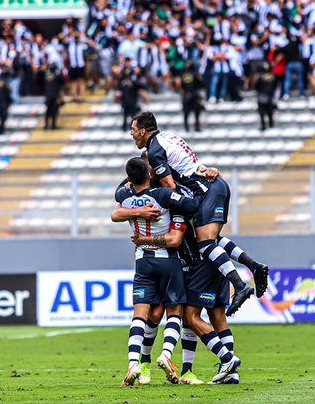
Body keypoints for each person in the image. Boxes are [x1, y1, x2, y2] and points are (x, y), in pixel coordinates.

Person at [130, 112, 269, 316]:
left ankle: (239, 285)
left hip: (206, 192)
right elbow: (190, 165)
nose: (131, 134)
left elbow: (170, 186)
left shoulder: (154, 150)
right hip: (213, 186)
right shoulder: (170, 138)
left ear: (142, 131)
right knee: (212, 239)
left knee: (204, 243)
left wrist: (179, 208)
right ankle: (254, 266)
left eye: (133, 130)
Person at [111, 157, 198, 387]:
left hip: (142, 260)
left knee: (140, 315)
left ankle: (133, 363)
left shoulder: (125, 198)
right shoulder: (162, 196)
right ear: (150, 175)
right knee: (175, 312)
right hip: (167, 259)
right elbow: (191, 206)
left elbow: (115, 212)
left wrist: (136, 212)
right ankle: (167, 355)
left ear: (130, 179)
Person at [182, 254, 242, 384]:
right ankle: (230, 373)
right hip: (219, 263)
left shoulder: (200, 233)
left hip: (201, 265)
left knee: (189, 316)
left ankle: (227, 358)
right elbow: (222, 240)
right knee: (218, 317)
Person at [180, 61, 205, 132]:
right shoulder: (196, 74)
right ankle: (197, 127)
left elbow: (182, 85)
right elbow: (202, 83)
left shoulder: (184, 75)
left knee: (186, 113)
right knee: (197, 112)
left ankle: (186, 127)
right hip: (195, 95)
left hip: (186, 95)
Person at [253, 62, 276, 131]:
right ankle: (271, 124)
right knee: (270, 112)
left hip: (261, 97)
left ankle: (263, 125)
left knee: (262, 112)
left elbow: (255, 86)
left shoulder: (259, 77)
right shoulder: (273, 77)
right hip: (270, 97)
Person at [44, 64, 64, 130]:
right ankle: (53, 126)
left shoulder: (47, 76)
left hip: (48, 96)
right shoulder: (57, 77)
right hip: (55, 96)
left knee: (48, 112)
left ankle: (46, 126)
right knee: (54, 112)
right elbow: (60, 87)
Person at [0, 69, 13, 135]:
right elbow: (7, 94)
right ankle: (1, 130)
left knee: (2, 117)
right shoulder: (5, 84)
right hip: (3, 103)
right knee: (3, 117)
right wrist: (10, 101)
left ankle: (1, 129)